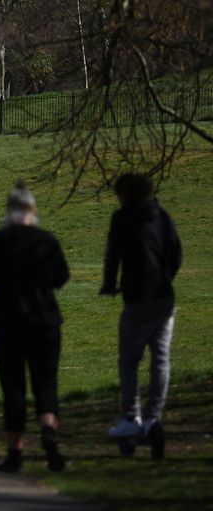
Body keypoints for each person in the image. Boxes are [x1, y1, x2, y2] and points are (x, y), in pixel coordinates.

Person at [0, 181, 69, 473]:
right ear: (33, 210)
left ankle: (15, 451)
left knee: (13, 386)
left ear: (9, 212)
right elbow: (61, 277)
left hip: (6, 320)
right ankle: (49, 432)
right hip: (44, 320)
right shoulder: (46, 241)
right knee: (46, 382)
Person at [101, 173, 181, 460]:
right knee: (160, 358)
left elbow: (113, 255)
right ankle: (153, 417)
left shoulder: (122, 218)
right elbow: (175, 253)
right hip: (163, 297)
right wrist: (165, 277)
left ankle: (131, 417)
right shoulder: (162, 216)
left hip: (136, 298)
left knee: (129, 360)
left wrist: (109, 284)